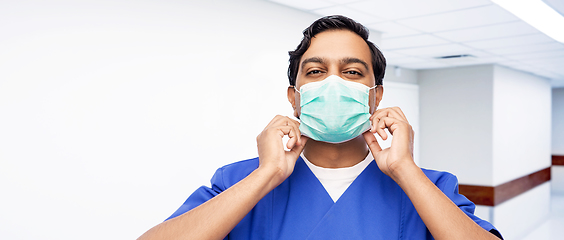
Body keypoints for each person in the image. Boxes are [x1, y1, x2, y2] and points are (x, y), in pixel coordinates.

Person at [138, 15, 503, 240]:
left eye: (352, 72)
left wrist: (405, 169)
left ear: (375, 97)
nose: (333, 83)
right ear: (294, 97)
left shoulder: (430, 187)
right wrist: (266, 175)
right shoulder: (239, 181)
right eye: (315, 71)